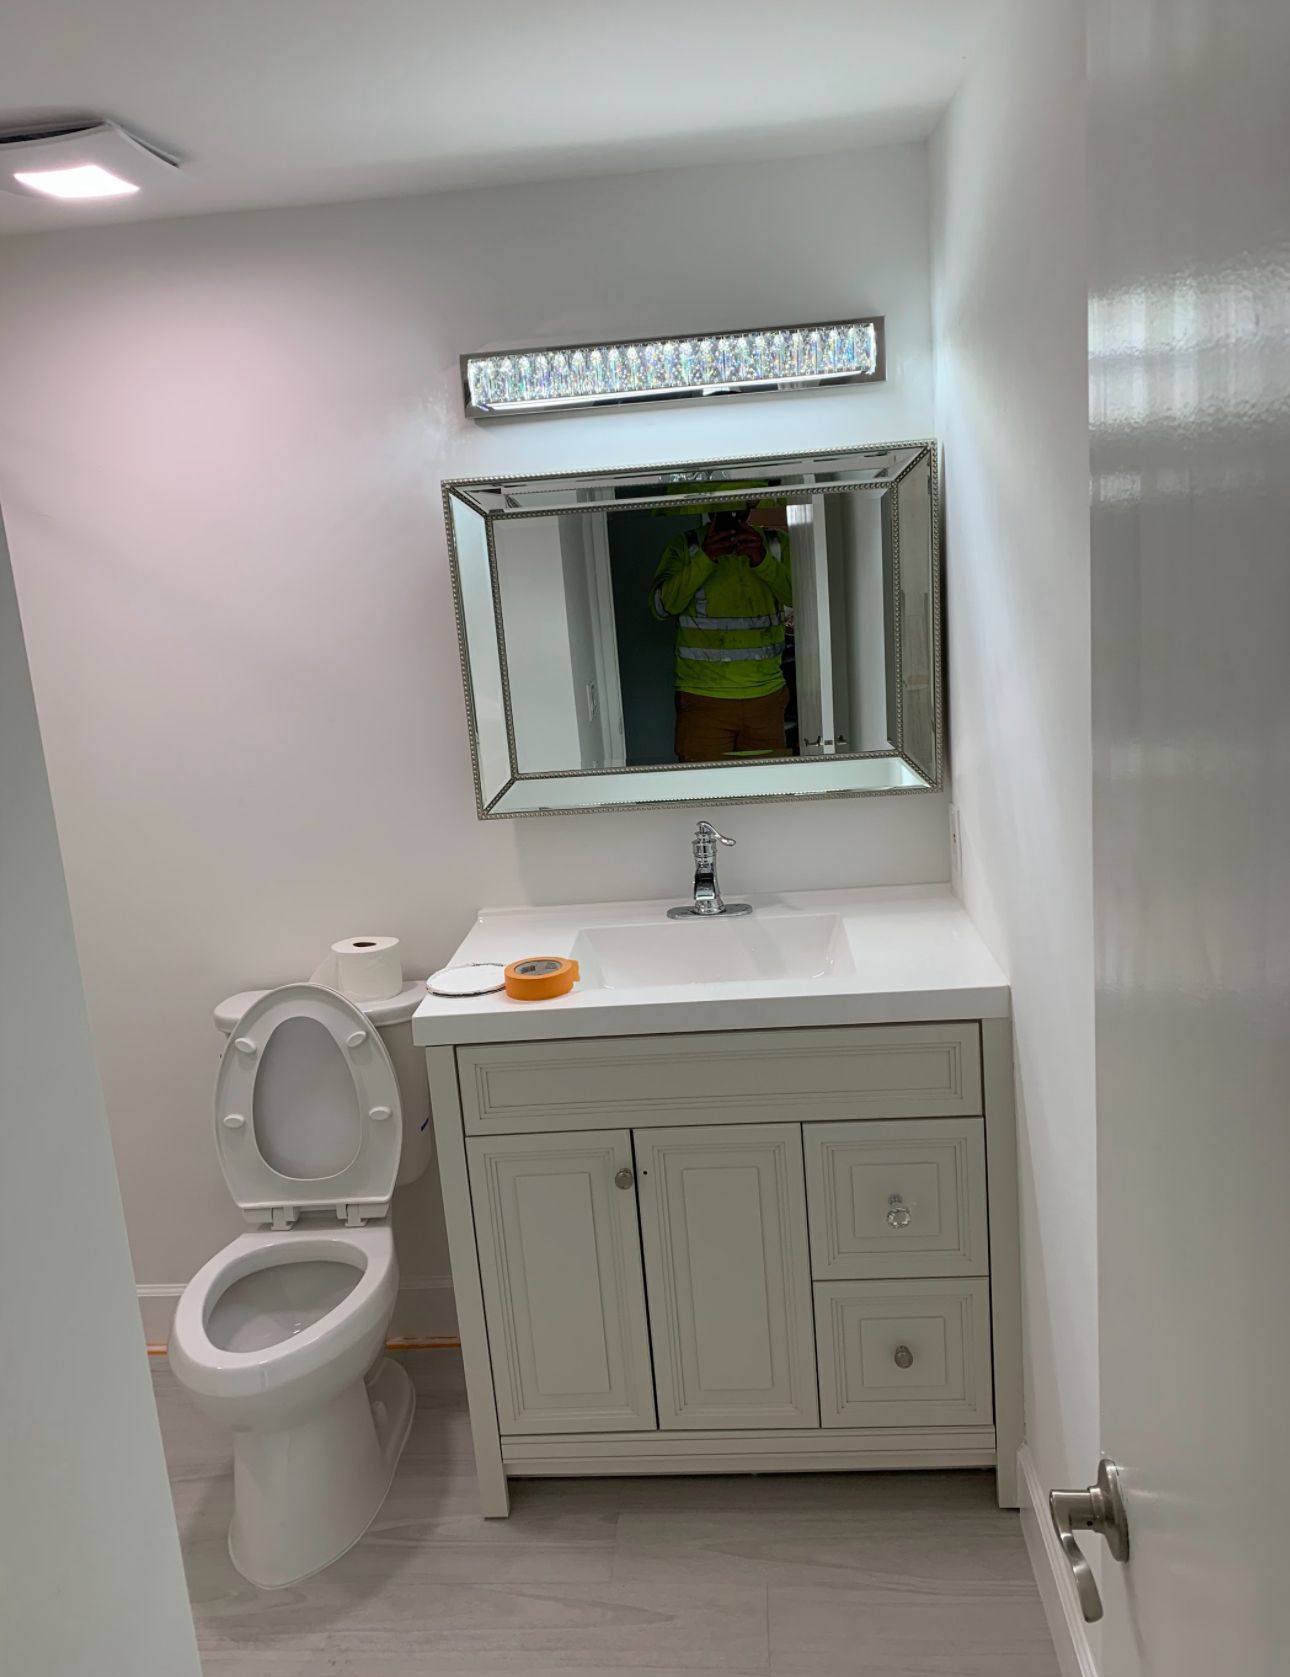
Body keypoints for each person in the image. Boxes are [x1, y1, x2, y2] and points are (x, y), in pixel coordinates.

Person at [649, 502, 793, 763]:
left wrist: (763, 562)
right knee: (704, 793)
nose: (731, 517)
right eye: (723, 510)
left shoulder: (776, 545)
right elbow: (662, 607)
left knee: (765, 792)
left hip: (766, 697)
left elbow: (805, 599)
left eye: (738, 508)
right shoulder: (686, 546)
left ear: (752, 503)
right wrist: (705, 559)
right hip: (703, 699)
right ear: (709, 506)